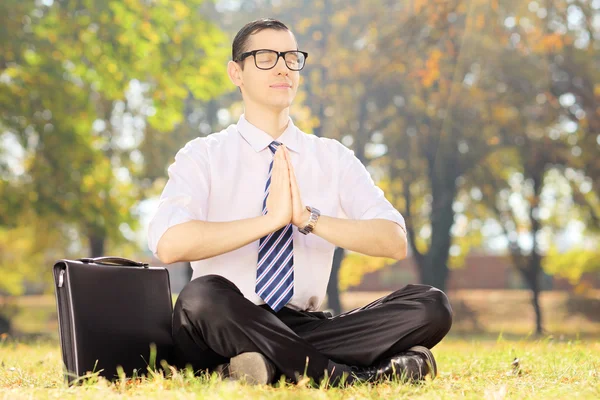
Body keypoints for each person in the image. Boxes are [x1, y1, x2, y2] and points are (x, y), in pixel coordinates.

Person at [147, 18, 452, 386]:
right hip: (221, 320)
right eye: (264, 56)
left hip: (303, 322)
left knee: (430, 306)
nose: (281, 66)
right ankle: (356, 378)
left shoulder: (332, 157)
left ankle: (260, 365)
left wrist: (308, 219)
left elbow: (393, 240)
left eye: (291, 57)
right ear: (236, 73)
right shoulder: (203, 155)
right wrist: (270, 220)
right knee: (200, 296)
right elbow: (170, 243)